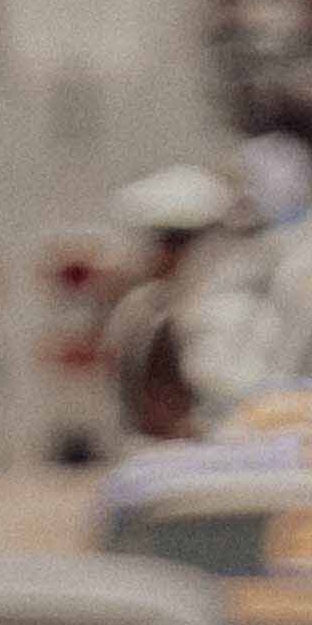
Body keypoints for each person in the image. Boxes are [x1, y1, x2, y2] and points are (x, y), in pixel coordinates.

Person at [98, 167, 234, 442]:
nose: (166, 253)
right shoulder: (139, 307)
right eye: (165, 241)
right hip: (154, 443)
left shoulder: (213, 305)